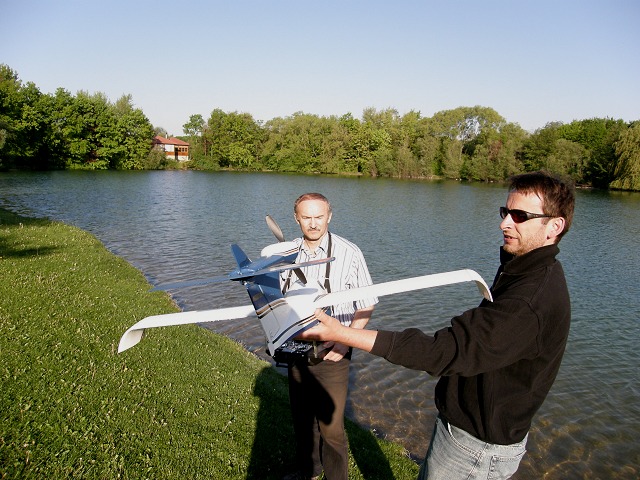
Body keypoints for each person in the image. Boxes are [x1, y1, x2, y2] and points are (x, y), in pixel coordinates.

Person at [299, 171, 576, 479]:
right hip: (464, 433)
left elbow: (442, 351)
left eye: (520, 215)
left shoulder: (530, 299)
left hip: (477, 449)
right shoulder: (523, 270)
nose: (504, 223)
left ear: (555, 226)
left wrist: (342, 334)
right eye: (505, 212)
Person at [280, 192, 377, 480]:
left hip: (334, 351)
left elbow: (367, 303)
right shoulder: (286, 253)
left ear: (329, 217)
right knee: (302, 417)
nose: (313, 224)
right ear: (297, 219)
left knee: (331, 427)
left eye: (319, 217)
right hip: (297, 348)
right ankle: (310, 470)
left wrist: (345, 340)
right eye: (306, 217)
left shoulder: (350, 252)